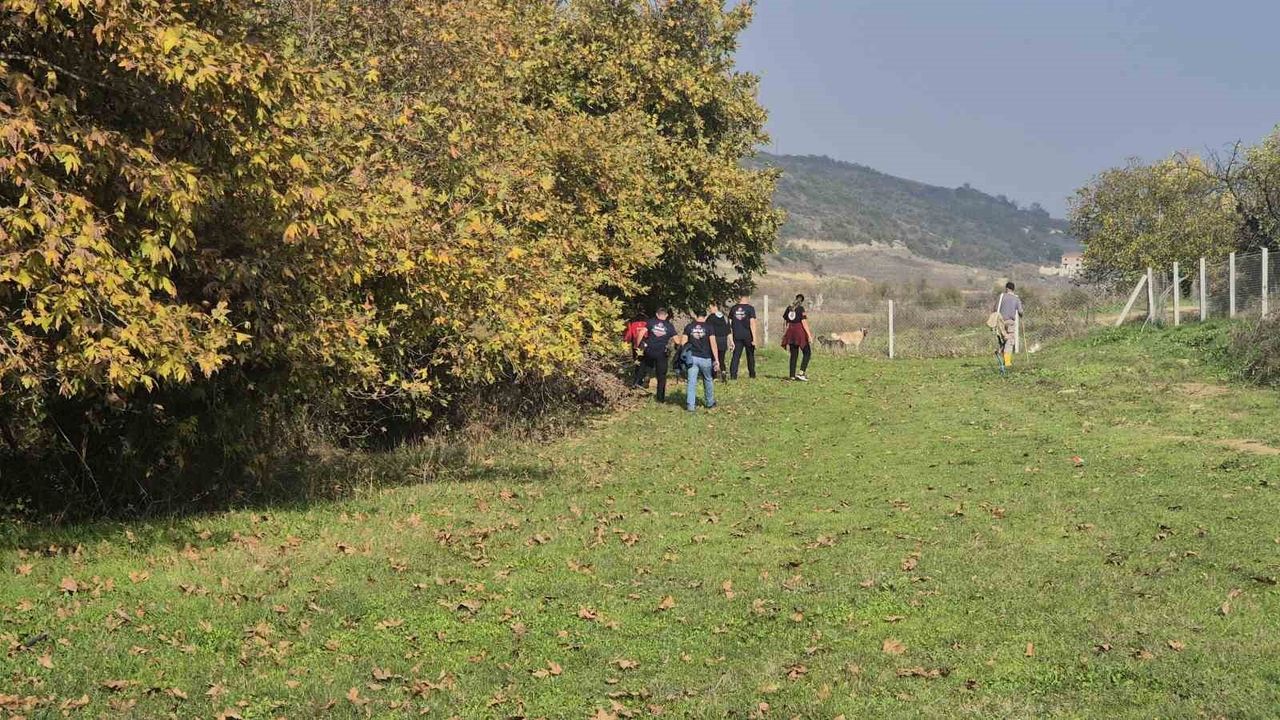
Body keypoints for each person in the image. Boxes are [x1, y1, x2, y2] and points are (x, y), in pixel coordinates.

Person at [632, 308, 677, 401]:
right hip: (661, 353)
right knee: (661, 376)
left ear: (657, 315)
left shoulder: (650, 322)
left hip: (649, 350)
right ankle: (660, 398)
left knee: (642, 366)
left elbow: (641, 333)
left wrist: (637, 345)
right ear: (666, 315)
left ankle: (637, 383)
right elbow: (677, 340)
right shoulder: (669, 326)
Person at [681, 311, 720, 411]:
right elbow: (713, 344)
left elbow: (683, 343)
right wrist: (716, 359)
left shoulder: (689, 327)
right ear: (705, 316)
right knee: (708, 379)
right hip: (706, 358)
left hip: (692, 358)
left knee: (691, 381)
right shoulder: (709, 327)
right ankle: (710, 402)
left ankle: (690, 406)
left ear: (695, 316)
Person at [780, 293, 814, 381]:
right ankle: (801, 373)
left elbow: (785, 322)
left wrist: (785, 334)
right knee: (807, 353)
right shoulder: (801, 309)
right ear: (802, 301)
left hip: (791, 332)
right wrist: (809, 335)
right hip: (799, 332)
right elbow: (804, 323)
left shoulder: (788, 308)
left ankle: (792, 375)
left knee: (793, 354)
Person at [728, 294, 759, 379]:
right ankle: (752, 374)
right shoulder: (750, 308)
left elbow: (729, 323)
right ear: (748, 297)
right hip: (748, 336)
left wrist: (730, 338)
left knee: (736, 356)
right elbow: (752, 323)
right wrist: (754, 339)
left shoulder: (733, 308)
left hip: (737, 335)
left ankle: (733, 375)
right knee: (750, 356)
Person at [995, 281, 1023, 372]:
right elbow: (1020, 311)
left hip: (1000, 322)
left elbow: (995, 309)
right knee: (1009, 341)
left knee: (1003, 339)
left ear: (1006, 288)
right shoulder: (1016, 299)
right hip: (1010, 322)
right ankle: (1007, 362)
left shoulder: (1001, 297)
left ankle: (999, 352)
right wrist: (1020, 315)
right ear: (1013, 289)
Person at [705, 302, 731, 379]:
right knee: (722, 358)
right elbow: (728, 330)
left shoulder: (710, 318)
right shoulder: (725, 317)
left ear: (715, 307)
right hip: (723, 340)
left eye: (710, 308)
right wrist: (731, 341)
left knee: (714, 358)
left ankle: (714, 375)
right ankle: (723, 371)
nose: (709, 310)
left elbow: (707, 329)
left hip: (714, 340)